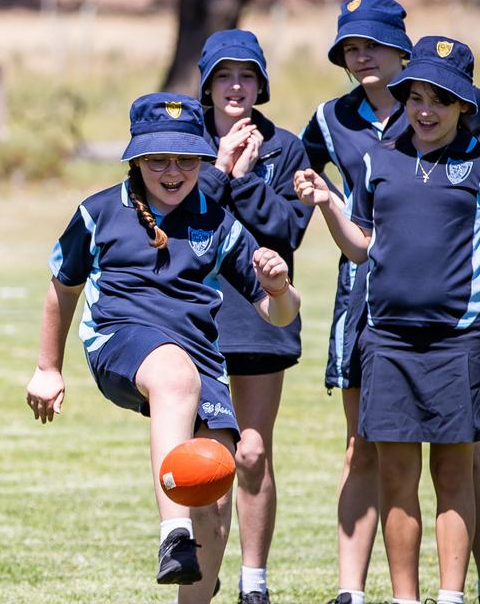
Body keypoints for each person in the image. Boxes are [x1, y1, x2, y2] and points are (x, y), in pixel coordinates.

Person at [301, 0, 480, 604]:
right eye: (416, 97)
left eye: (439, 100)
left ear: (463, 106)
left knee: (455, 468)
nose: (425, 109)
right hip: (383, 337)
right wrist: (329, 203)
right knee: (390, 468)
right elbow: (361, 245)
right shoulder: (377, 156)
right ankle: (399, 596)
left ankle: (457, 593)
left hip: (457, 339)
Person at [26, 93, 300, 604]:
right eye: (157, 160)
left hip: (200, 356)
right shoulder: (98, 212)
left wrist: (282, 289)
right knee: (175, 377)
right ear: (135, 159)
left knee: (213, 487)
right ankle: (172, 533)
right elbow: (62, 288)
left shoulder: (217, 220)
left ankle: (193, 588)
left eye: (185, 159)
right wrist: (48, 368)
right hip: (120, 338)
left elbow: (278, 315)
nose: (172, 171)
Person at [193, 30, 312, 604]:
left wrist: (242, 182)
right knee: (210, 457)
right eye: (223, 76)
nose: (235, 86)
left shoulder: (285, 148)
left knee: (254, 450)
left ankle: (253, 581)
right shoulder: (182, 139)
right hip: (195, 314)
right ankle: (205, 567)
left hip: (262, 312)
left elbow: (288, 231)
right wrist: (218, 169)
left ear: (261, 84)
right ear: (207, 84)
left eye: (245, 76)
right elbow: (179, 222)